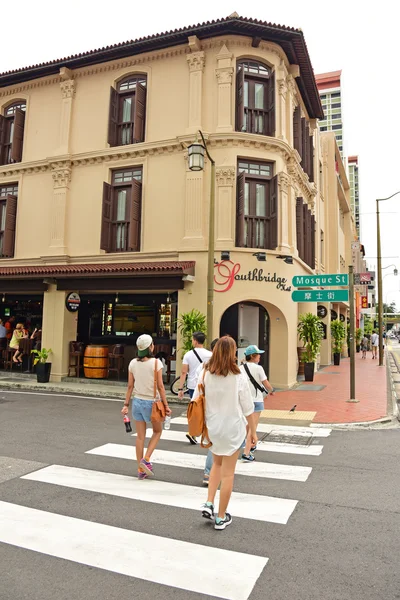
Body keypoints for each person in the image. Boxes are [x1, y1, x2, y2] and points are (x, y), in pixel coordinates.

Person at [194, 336, 257, 530]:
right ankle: (221, 517)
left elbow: (196, 398)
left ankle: (209, 501)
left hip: (212, 427)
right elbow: (248, 407)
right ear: (232, 352)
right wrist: (252, 432)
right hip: (232, 428)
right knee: (228, 474)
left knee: (216, 465)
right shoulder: (238, 375)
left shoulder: (205, 372)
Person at [121, 334, 171, 480]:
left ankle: (140, 468)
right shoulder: (156, 363)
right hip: (152, 403)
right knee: (157, 432)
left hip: (137, 402)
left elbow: (130, 386)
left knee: (140, 437)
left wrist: (126, 404)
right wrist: (166, 405)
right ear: (151, 347)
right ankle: (146, 459)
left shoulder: (132, 363)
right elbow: (161, 387)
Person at [239, 345, 274, 462]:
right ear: (253, 356)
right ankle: (246, 452)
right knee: (252, 429)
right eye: (258, 354)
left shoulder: (240, 368)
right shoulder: (259, 369)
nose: (260, 356)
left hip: (244, 401)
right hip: (256, 401)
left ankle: (249, 445)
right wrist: (271, 390)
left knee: (248, 426)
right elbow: (266, 384)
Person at [177, 331, 212, 444]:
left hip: (193, 386)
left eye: (192, 339)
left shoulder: (188, 355)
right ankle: (206, 432)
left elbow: (183, 372)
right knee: (207, 409)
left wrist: (180, 388)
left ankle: (193, 432)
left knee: (196, 409)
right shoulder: (210, 355)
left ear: (195, 341)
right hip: (207, 384)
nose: (192, 341)